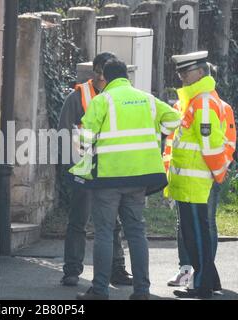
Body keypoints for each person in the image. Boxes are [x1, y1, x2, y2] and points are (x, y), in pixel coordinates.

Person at [70, 59, 180, 300]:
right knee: (137, 232)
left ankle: (100, 291)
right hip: (139, 177)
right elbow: (174, 120)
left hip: (108, 178)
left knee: (104, 233)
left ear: (105, 79)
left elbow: (84, 139)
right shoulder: (147, 99)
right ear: (126, 77)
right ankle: (142, 291)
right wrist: (154, 133)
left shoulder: (102, 100)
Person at [57, 52, 133, 287]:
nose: (101, 77)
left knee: (114, 223)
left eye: (105, 73)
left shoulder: (120, 96)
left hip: (112, 169)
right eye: (98, 72)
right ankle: (72, 270)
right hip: (85, 169)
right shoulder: (78, 96)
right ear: (94, 71)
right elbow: (64, 134)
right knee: (79, 220)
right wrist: (70, 170)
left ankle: (117, 270)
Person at [165, 62, 236, 289]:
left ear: (201, 73)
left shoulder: (203, 102)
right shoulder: (192, 101)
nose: (182, 75)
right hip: (188, 182)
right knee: (195, 234)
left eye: (187, 70)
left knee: (197, 235)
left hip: (197, 182)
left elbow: (213, 145)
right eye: (180, 71)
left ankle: (203, 285)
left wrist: (218, 173)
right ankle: (209, 282)